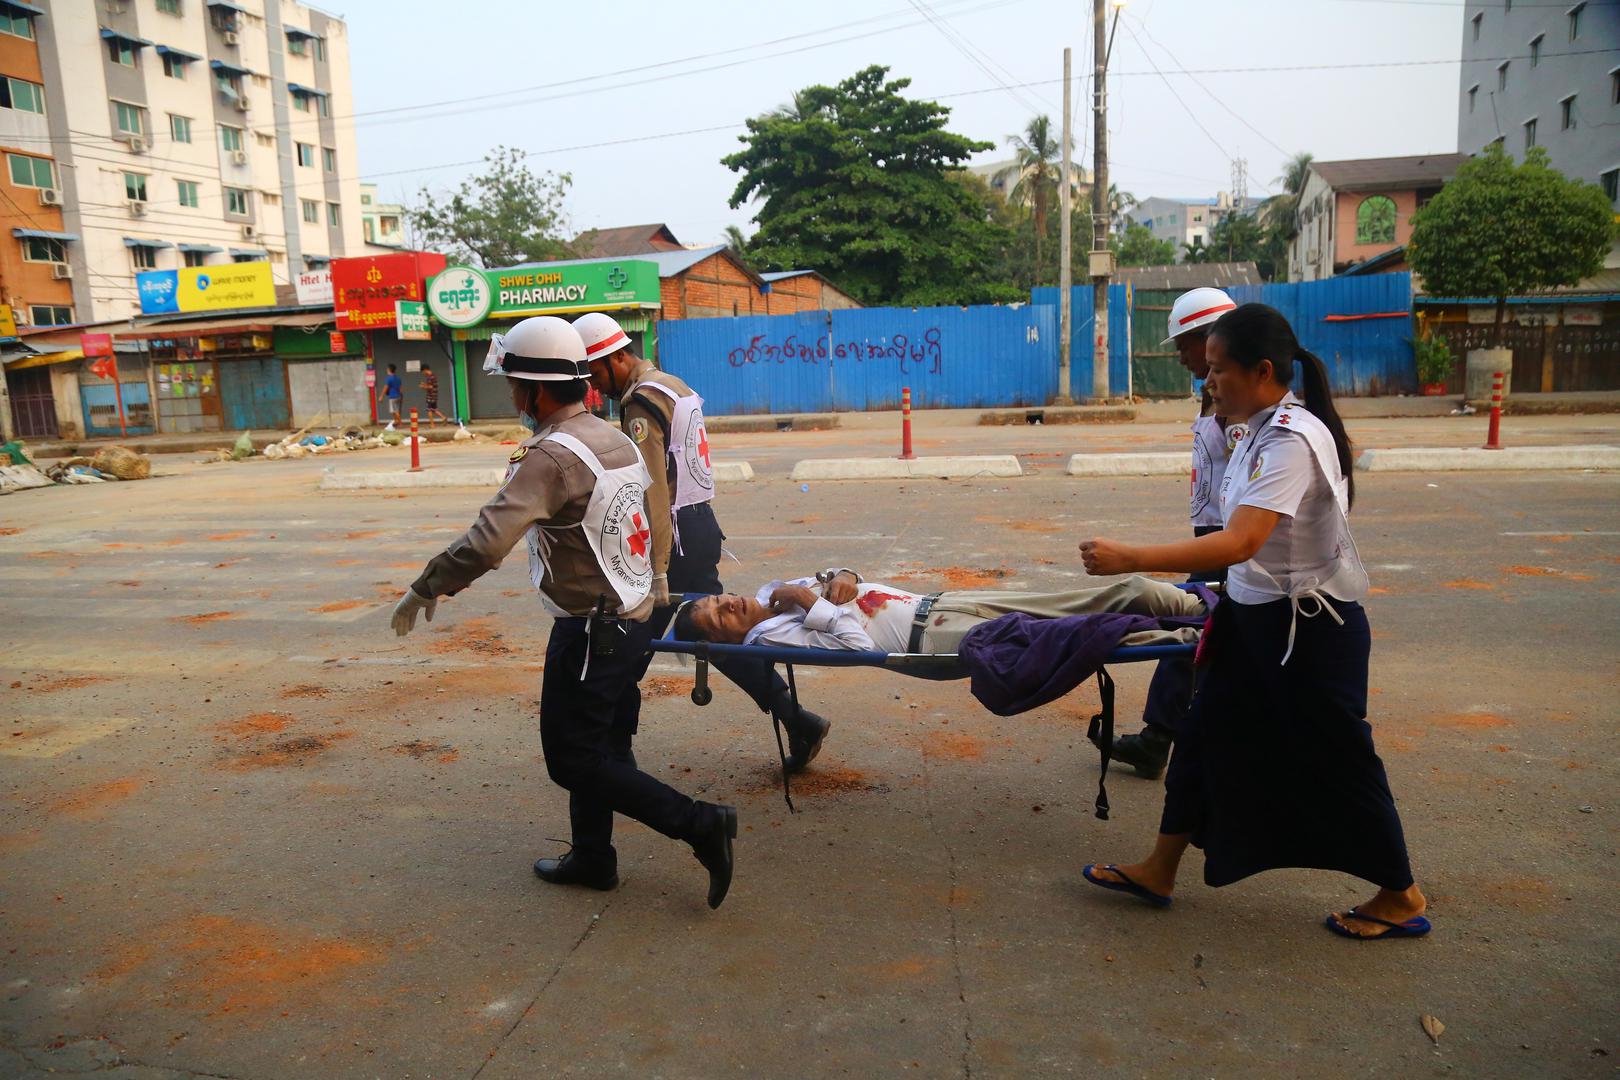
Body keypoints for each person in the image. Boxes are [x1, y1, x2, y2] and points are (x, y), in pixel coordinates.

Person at [1077, 302, 1429, 941]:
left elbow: (1241, 540)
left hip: (1311, 634)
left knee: (1341, 761)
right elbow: (1231, 536)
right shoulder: (1253, 427)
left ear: (1263, 370)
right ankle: (1160, 868)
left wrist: (1134, 561)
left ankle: (1400, 894)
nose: (1207, 383)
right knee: (1203, 730)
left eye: (1217, 370)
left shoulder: (1290, 438)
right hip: (1253, 620)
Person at [388, 316, 738, 910]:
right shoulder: (613, 436)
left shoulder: (550, 457)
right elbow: (657, 511)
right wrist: (653, 583)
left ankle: (700, 824)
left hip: (591, 630)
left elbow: (487, 540)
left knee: (572, 758)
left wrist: (428, 586)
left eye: (513, 387)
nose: (513, 398)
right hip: (633, 615)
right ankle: (594, 857)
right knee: (605, 745)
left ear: (535, 390)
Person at [574, 311, 833, 772]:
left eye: (594, 371)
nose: (595, 385)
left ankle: (611, 753)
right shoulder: (673, 383)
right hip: (699, 523)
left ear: (613, 358)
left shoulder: (639, 403)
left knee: (633, 638)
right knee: (711, 634)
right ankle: (796, 718)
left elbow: (652, 487)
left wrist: (655, 569)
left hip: (671, 538)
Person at [1108, 287, 1236, 780]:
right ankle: (1161, 737)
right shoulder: (1211, 395)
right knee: (1195, 632)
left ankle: (1162, 737)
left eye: (1185, 344)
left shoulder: (1237, 404)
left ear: (1211, 338)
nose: (1181, 356)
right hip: (1212, 531)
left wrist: (1136, 558)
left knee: (1189, 629)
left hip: (1232, 538)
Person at [674, 569, 1203, 653]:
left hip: (940, 604)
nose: (729, 602)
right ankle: (1181, 640)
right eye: (721, 615)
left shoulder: (771, 597)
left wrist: (844, 578)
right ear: (726, 639)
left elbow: (836, 578)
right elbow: (857, 648)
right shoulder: (769, 639)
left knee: (1083, 602)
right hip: (939, 637)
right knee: (1075, 635)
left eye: (720, 598)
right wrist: (810, 600)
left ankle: (1192, 605)